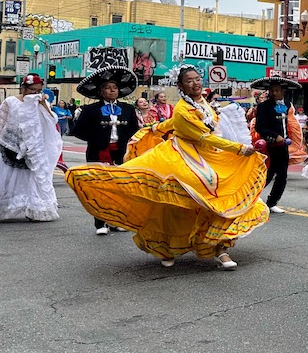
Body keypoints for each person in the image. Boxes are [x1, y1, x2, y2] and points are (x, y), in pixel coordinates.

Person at [66, 66, 267, 269]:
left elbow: (175, 123)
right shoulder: (182, 108)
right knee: (181, 200)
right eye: (189, 81)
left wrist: (156, 128)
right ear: (180, 85)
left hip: (208, 155)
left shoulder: (202, 103)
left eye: (197, 79)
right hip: (183, 155)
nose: (195, 83)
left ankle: (220, 248)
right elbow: (203, 137)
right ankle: (165, 246)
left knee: (220, 197)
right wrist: (239, 149)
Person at [69, 67, 142, 235]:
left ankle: (117, 221)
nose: (112, 91)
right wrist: (96, 138)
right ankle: (100, 223)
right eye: (108, 88)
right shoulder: (90, 110)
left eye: (115, 88)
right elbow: (77, 130)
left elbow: (134, 130)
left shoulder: (128, 109)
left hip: (121, 153)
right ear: (101, 91)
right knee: (99, 188)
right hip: (98, 152)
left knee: (119, 188)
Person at [0, 73, 62, 222]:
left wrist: (43, 105)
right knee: (8, 177)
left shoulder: (41, 103)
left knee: (35, 178)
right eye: (32, 89)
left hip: (34, 147)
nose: (35, 93)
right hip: (11, 145)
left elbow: (53, 120)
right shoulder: (10, 101)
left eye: (38, 90)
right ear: (23, 88)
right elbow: (2, 120)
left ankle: (36, 208)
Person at [253, 77, 299, 214]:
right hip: (270, 145)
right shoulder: (263, 107)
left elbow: (288, 123)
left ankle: (272, 202)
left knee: (281, 175)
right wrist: (274, 136)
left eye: (277, 90)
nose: (274, 93)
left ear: (283, 91)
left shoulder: (288, 105)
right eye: (272, 90)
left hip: (283, 145)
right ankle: (250, 196)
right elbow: (260, 127)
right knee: (268, 173)